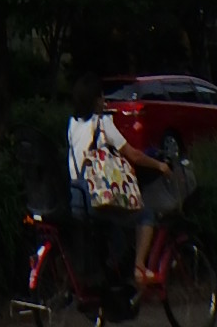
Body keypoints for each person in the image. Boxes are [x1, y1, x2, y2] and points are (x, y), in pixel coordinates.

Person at [67, 74, 173, 291]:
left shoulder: (72, 125)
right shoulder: (103, 123)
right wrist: (160, 166)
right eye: (101, 96)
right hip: (95, 197)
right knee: (145, 214)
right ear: (95, 100)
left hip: (75, 197)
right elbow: (133, 155)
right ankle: (140, 268)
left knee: (114, 225)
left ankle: (114, 273)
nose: (104, 100)